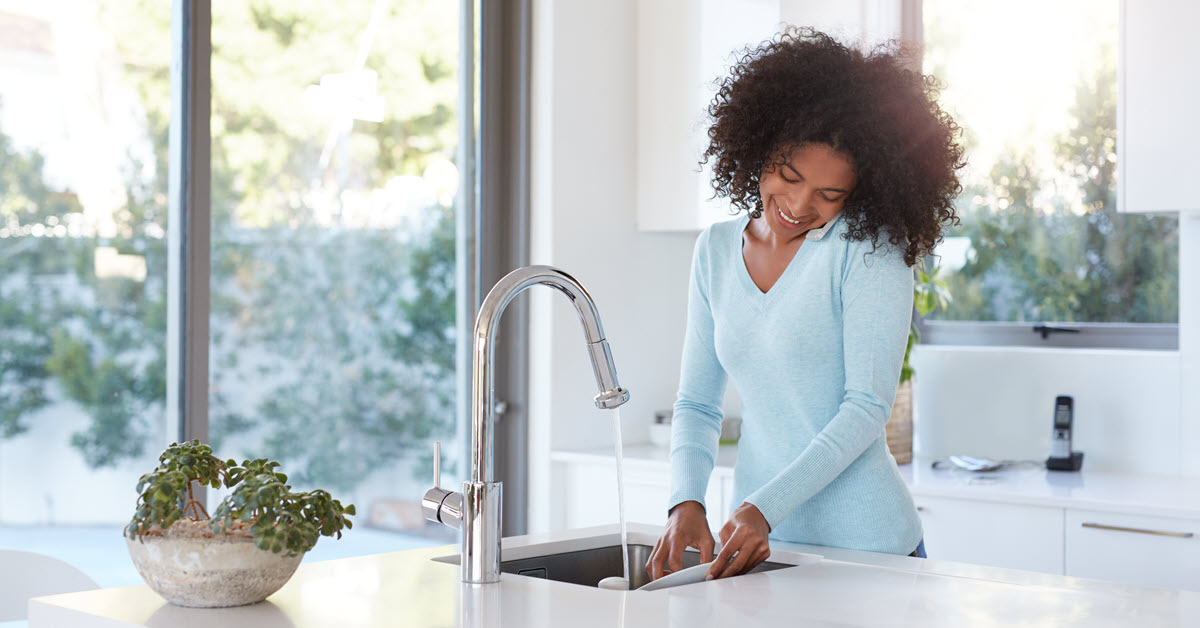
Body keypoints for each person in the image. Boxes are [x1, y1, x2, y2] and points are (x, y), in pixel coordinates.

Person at [647, 27, 965, 582]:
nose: (796, 205)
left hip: (869, 553)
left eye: (829, 194)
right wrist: (685, 502)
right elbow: (698, 402)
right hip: (762, 549)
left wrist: (764, 505)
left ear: (862, 192)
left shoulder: (870, 250)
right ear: (757, 148)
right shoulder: (716, 250)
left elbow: (866, 407)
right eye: (787, 176)